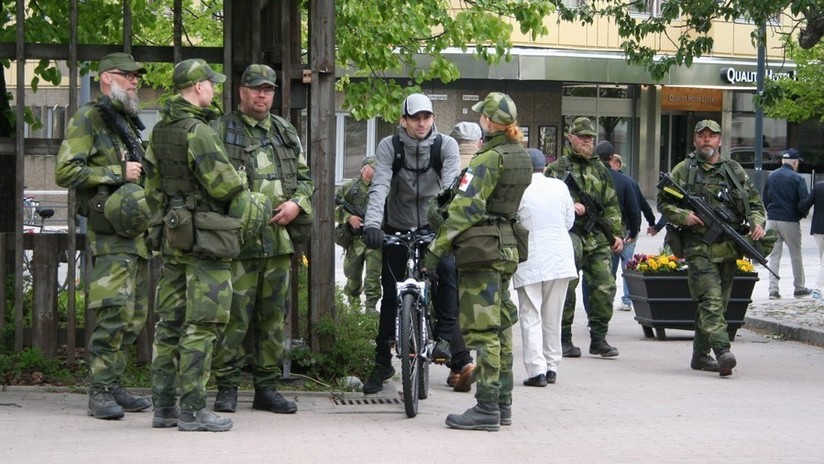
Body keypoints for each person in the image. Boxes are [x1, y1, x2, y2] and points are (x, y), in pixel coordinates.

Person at [145, 58, 248, 432]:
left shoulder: (160, 130)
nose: (216, 90)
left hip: (174, 237)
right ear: (199, 87)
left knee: (168, 324)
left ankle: (163, 407)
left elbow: (151, 187)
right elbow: (224, 185)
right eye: (212, 84)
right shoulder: (198, 132)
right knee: (202, 326)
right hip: (206, 241)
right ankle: (192, 409)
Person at [423, 91, 532, 431]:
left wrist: (436, 249)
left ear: (488, 121)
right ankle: (502, 403)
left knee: (484, 332)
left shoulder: (489, 159)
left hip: (481, 251)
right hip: (507, 247)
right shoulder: (521, 156)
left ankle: (486, 407)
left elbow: (464, 209)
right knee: (500, 328)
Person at [210, 64, 314, 415]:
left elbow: (305, 178)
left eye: (268, 89)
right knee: (233, 317)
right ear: (241, 92)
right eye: (256, 89)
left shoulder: (285, 131)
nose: (262, 95)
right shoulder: (220, 129)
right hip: (238, 241)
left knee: (272, 320)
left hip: (277, 242)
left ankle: (266, 387)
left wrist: (297, 204)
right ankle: (226, 386)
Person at [55, 52, 152, 420]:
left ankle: (114, 384)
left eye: (136, 77)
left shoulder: (123, 121)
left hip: (135, 232)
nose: (134, 82)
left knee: (133, 316)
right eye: (128, 76)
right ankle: (99, 392)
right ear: (106, 78)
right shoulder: (89, 119)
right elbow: (65, 172)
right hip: (109, 233)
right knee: (112, 312)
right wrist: (116, 172)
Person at [361, 93, 474, 394]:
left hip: (433, 226)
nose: (421, 123)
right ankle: (382, 361)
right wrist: (373, 224)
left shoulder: (445, 146)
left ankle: (446, 341)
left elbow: (451, 189)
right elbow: (380, 185)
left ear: (433, 118)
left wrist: (450, 228)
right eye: (415, 117)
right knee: (390, 295)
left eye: (426, 117)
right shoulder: (390, 147)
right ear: (404, 120)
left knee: (447, 271)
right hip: (396, 226)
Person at [657, 119, 768, 377]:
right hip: (698, 248)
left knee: (718, 304)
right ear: (695, 140)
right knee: (711, 301)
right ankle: (722, 352)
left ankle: (699, 356)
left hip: (728, 248)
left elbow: (754, 203)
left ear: (719, 140)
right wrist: (684, 216)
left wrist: (757, 223)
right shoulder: (685, 170)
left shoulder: (733, 170)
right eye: (702, 136)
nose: (707, 140)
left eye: (712, 136)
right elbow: (664, 202)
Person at [545, 118, 624, 359]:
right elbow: (545, 200)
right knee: (567, 288)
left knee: (605, 286)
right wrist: (570, 204)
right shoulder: (557, 169)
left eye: (590, 137)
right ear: (570, 137)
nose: (587, 141)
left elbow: (611, 204)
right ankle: (564, 338)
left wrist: (617, 233)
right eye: (582, 137)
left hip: (597, 237)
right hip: (569, 235)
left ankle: (598, 338)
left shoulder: (600, 169)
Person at [513, 148, 576, 387]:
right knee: (553, 316)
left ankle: (536, 370)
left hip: (530, 257)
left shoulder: (519, 188)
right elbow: (569, 221)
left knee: (530, 315)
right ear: (544, 167)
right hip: (560, 256)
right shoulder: (560, 186)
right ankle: (552, 366)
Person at [580, 141, 639, 315]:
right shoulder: (625, 180)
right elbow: (634, 210)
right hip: (616, 233)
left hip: (591, 234)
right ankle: (603, 313)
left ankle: (592, 312)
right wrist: (634, 232)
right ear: (612, 158)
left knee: (589, 276)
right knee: (609, 275)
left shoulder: (589, 177)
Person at [608, 150, 657, 311]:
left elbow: (640, 206)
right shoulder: (631, 182)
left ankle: (610, 299)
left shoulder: (612, 182)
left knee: (614, 266)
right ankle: (626, 300)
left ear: (616, 164)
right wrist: (651, 223)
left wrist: (650, 224)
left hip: (621, 230)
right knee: (627, 266)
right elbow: (642, 204)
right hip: (629, 230)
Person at [763, 148, 812, 299]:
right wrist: (800, 215)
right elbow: (803, 202)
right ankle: (799, 287)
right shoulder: (797, 179)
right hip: (790, 220)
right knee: (795, 255)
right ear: (795, 162)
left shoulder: (771, 176)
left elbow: (766, 198)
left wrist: (770, 212)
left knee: (774, 256)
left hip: (772, 219)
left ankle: (773, 290)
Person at [335, 156, 382, 313]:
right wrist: (349, 218)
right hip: (355, 239)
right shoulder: (349, 188)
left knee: (373, 274)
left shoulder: (382, 189)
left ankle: (371, 306)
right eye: (373, 167)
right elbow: (331, 207)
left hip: (374, 239)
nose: (376, 171)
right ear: (364, 169)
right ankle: (353, 304)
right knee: (353, 273)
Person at [800, 179, 824, 300]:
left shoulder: (819, 186)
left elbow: (805, 204)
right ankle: (818, 290)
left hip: (818, 228)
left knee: (822, 260)